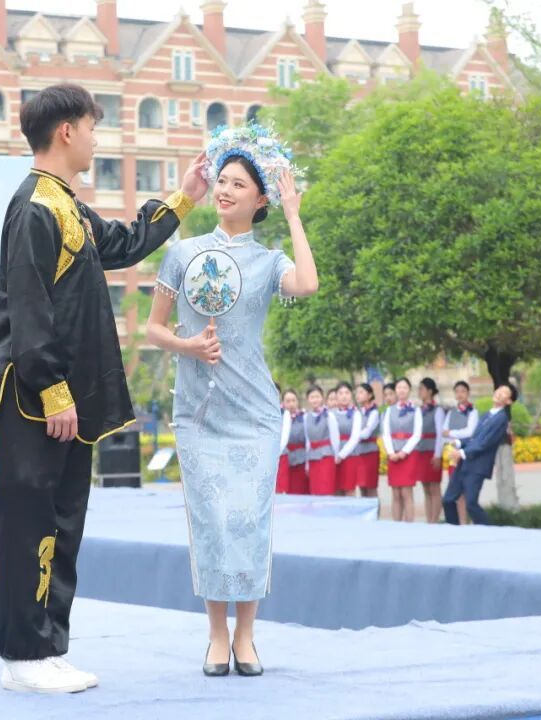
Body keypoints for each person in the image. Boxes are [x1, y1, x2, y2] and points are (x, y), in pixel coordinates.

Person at [0, 84, 208, 694]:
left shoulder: (69, 206)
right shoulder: (35, 207)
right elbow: (28, 307)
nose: (95, 139)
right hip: (34, 398)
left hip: (65, 399)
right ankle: (23, 653)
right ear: (66, 132)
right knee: (31, 523)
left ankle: (46, 646)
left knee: (63, 522)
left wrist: (186, 196)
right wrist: (53, 391)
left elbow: (124, 244)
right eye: (91, 127)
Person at [148, 122, 316, 678]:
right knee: (212, 521)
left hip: (255, 414)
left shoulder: (269, 262)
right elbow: (154, 329)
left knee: (249, 520)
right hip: (198, 414)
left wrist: (294, 215)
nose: (225, 190)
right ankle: (216, 635)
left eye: (239, 184)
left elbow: (308, 285)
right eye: (222, 181)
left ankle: (247, 635)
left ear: (260, 200)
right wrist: (189, 346)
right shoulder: (182, 254)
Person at [443, 384, 517, 525]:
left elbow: (484, 443)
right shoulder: (487, 414)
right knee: (448, 500)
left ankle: (488, 531)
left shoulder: (501, 419)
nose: (499, 393)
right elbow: (474, 438)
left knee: (471, 504)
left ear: (508, 401)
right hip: (465, 463)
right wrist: (458, 442)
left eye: (504, 393)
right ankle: (453, 530)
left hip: (478, 467)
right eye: (499, 390)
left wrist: (461, 452)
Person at [382, 377, 422, 522]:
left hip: (408, 454)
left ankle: (409, 524)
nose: (402, 390)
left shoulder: (416, 410)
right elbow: (386, 433)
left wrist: (404, 452)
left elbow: (417, 434)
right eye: (399, 387)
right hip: (393, 453)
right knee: (396, 492)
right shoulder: (389, 410)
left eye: (405, 387)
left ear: (409, 390)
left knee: (406, 491)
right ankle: (396, 524)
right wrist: (391, 452)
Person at [443, 380, 478, 523]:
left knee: (465, 490)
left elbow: (470, 432)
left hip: (465, 453)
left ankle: (465, 522)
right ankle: (456, 521)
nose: (460, 394)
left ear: (468, 393)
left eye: (463, 391)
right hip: (452, 454)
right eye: (457, 391)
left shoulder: (473, 412)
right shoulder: (451, 412)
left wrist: (452, 433)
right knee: (454, 488)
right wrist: (450, 435)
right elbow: (444, 432)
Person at [338, 383, 381, 499]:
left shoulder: (374, 412)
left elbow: (367, 432)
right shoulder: (357, 411)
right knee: (362, 486)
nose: (358, 395)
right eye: (357, 392)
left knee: (370, 487)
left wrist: (353, 436)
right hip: (358, 451)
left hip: (370, 452)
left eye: (361, 392)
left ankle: (374, 510)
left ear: (370, 395)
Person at [417, 378, 446, 524]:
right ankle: (429, 520)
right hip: (421, 451)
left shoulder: (437, 410)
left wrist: (437, 454)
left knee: (434, 487)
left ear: (430, 391)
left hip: (432, 451)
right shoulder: (418, 410)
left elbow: (440, 434)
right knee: (425, 487)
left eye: (422, 389)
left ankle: (435, 520)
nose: (419, 391)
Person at [303, 385, 340, 496]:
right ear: (308, 399)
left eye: (317, 396)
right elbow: (307, 441)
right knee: (315, 491)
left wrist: (336, 456)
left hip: (326, 457)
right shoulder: (306, 417)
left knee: (326, 490)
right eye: (312, 397)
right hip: (312, 458)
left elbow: (335, 438)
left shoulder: (329, 415)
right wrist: (307, 463)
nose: (315, 400)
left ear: (322, 398)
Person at [331, 381, 359, 496]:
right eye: (341, 393)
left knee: (349, 489)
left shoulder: (356, 414)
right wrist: (335, 455)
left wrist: (341, 455)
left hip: (350, 455)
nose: (344, 396)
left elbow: (355, 437)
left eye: (347, 393)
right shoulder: (330, 414)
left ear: (351, 395)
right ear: (336, 396)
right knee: (335, 489)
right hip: (333, 455)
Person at [281, 389, 308, 494]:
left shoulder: (304, 417)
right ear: (283, 403)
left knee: (300, 490)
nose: (291, 404)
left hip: (301, 459)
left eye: (293, 400)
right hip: (284, 459)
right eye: (288, 401)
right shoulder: (279, 418)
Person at [275, 387, 297, 494]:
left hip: (280, 454)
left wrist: (276, 452)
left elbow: (284, 436)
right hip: (266, 455)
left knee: (280, 488)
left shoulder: (285, 413)